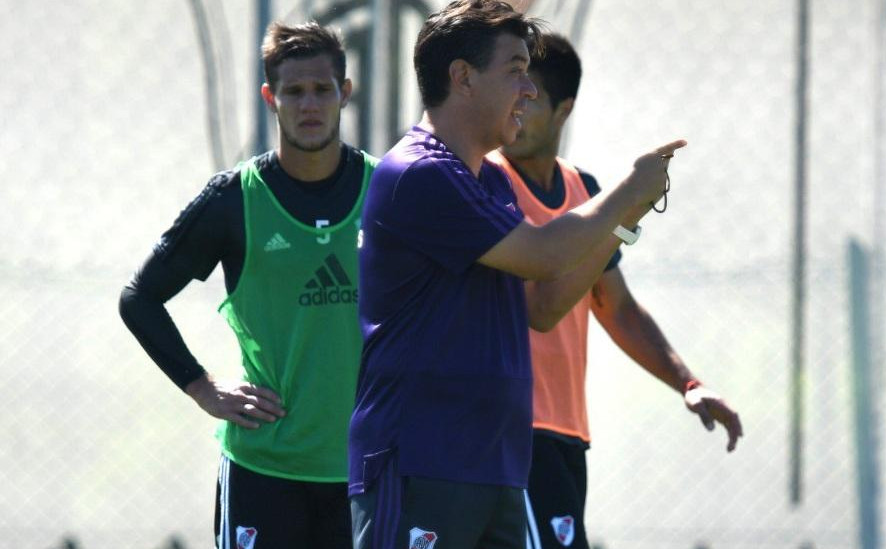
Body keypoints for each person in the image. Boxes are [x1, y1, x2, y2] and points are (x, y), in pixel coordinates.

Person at [348, 2, 686, 548]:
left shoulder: (490, 181)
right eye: (515, 70)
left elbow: (544, 307)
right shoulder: (419, 172)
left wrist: (627, 222)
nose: (528, 90)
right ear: (462, 77)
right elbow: (542, 252)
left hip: (496, 468)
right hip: (422, 461)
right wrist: (625, 191)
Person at [118, 21, 375, 549]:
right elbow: (139, 298)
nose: (309, 105)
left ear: (345, 93)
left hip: (364, 472)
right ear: (270, 97)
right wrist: (201, 386)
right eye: (294, 91)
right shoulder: (234, 199)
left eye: (322, 90)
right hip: (265, 468)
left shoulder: (387, 189)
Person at [487, 33, 743, 549]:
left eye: (531, 94)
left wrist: (688, 383)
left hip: (565, 432)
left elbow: (615, 307)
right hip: (505, 429)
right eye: (513, 89)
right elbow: (541, 306)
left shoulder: (583, 189)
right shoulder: (484, 181)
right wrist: (626, 216)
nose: (518, 104)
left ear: (565, 109)